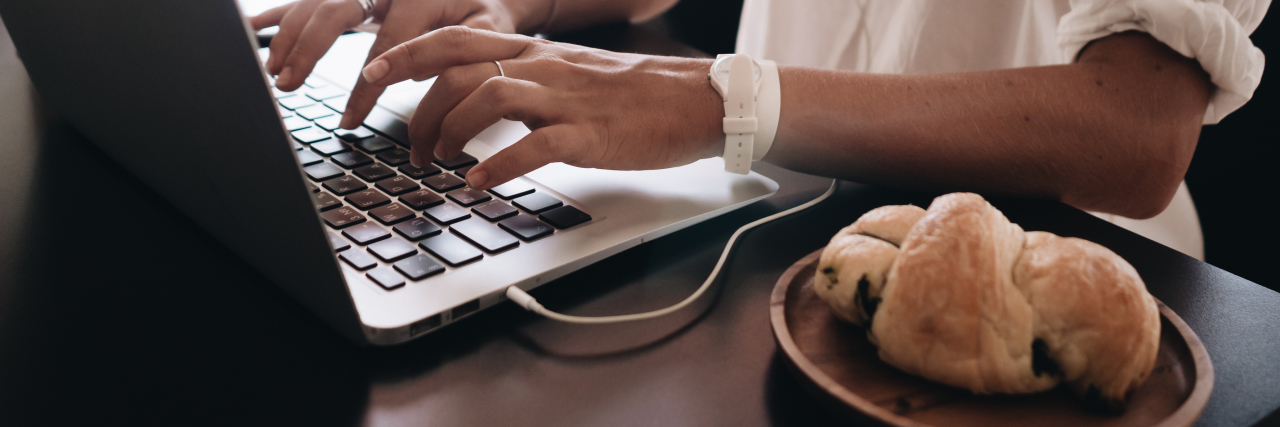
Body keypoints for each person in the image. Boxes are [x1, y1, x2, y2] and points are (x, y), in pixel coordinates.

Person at [250, 0, 1267, 259]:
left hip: (1051, 277)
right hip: (774, 227)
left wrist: (719, 101)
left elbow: (1135, 131)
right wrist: (507, 7)